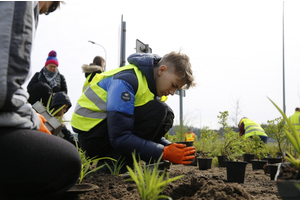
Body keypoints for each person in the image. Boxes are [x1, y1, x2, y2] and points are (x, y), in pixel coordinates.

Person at [0, 2, 81, 199]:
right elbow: (6, 91)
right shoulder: (21, 3)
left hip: (30, 110)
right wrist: (33, 119)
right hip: (29, 109)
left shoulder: (61, 78)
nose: (40, 13)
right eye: (47, 9)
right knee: (67, 162)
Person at [71, 51, 196, 173]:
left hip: (106, 132)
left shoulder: (149, 85)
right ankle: (112, 163)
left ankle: (121, 161)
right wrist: (164, 153)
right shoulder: (126, 81)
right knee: (159, 111)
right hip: (92, 138)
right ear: (161, 70)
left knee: (166, 114)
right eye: (174, 85)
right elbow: (120, 136)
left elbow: (146, 131)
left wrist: (174, 149)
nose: (173, 93)